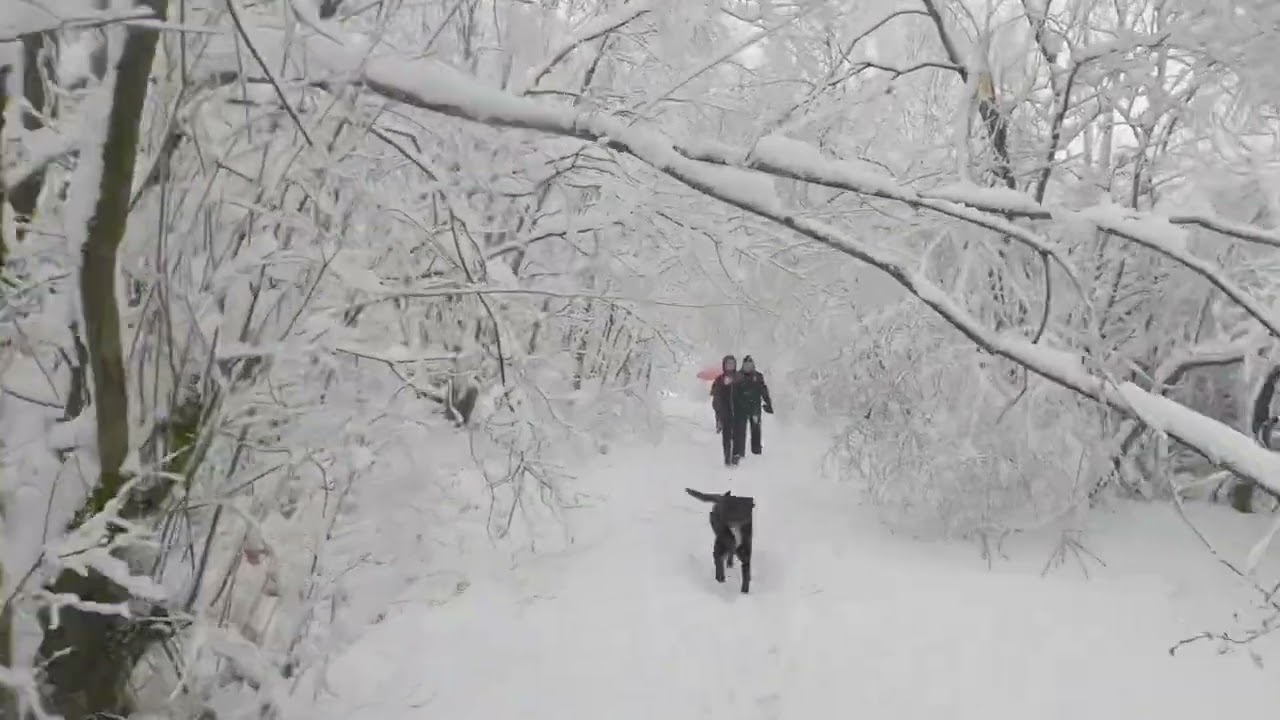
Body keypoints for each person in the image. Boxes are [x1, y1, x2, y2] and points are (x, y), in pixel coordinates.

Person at [710, 354, 748, 466]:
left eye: (732, 363)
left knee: (739, 435)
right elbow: (716, 396)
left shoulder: (740, 378)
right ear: (724, 365)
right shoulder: (719, 379)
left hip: (739, 413)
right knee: (726, 437)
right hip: (725, 413)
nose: (730, 366)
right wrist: (719, 412)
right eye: (728, 363)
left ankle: (736, 456)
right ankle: (727, 457)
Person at [738, 355, 773, 456]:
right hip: (741, 407)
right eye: (746, 365)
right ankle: (740, 450)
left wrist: (768, 403)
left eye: (750, 364)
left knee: (756, 428)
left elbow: (764, 391)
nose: (748, 367)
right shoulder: (738, 376)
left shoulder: (758, 376)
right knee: (740, 429)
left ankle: (756, 449)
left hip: (754, 407)